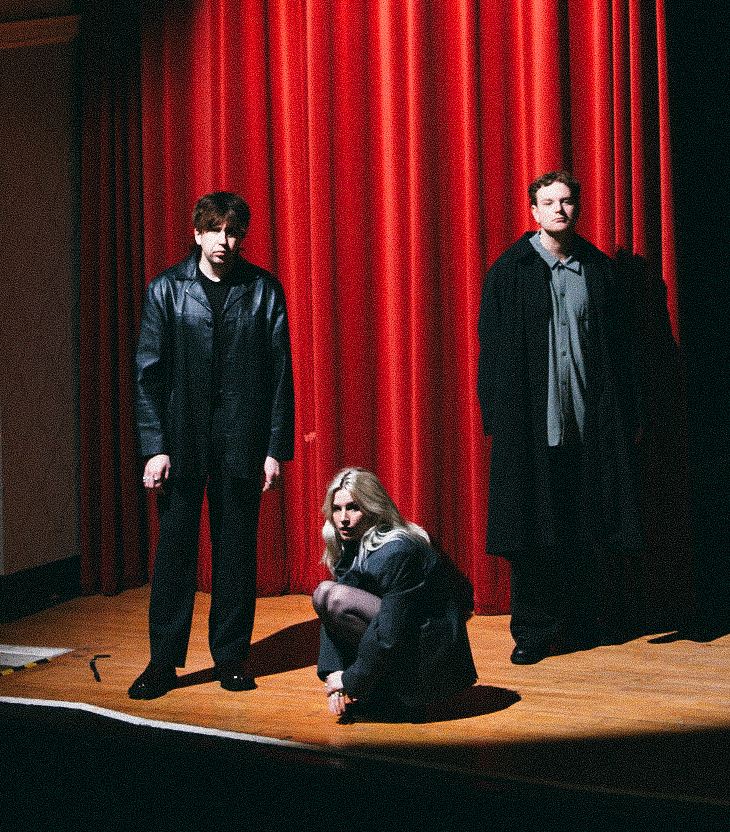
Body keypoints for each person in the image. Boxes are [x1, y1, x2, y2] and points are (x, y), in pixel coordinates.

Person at [128, 191, 294, 698]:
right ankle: (163, 662)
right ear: (197, 233)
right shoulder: (166, 289)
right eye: (216, 230)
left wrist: (273, 449)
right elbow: (148, 375)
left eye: (234, 232)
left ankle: (231, 657)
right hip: (182, 439)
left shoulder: (263, 289)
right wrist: (155, 447)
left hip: (242, 438)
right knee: (174, 553)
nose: (225, 241)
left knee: (236, 552)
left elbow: (280, 376)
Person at [477, 169, 643, 664]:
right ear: (534, 211)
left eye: (567, 201)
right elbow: (491, 349)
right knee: (532, 530)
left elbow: (620, 349)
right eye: (549, 202)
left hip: (589, 423)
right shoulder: (510, 271)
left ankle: (582, 623)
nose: (559, 210)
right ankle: (532, 632)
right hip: (531, 426)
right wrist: (498, 420)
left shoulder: (598, 270)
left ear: (578, 207)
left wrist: (627, 414)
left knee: (585, 526)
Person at [312, 466, 477, 719]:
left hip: (429, 655)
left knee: (336, 598)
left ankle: (398, 695)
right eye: (337, 509)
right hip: (401, 635)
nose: (343, 518)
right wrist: (333, 673)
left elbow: (389, 633)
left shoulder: (396, 551)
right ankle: (382, 690)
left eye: (353, 508)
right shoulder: (351, 545)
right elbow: (331, 621)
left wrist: (349, 680)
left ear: (373, 508)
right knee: (324, 594)